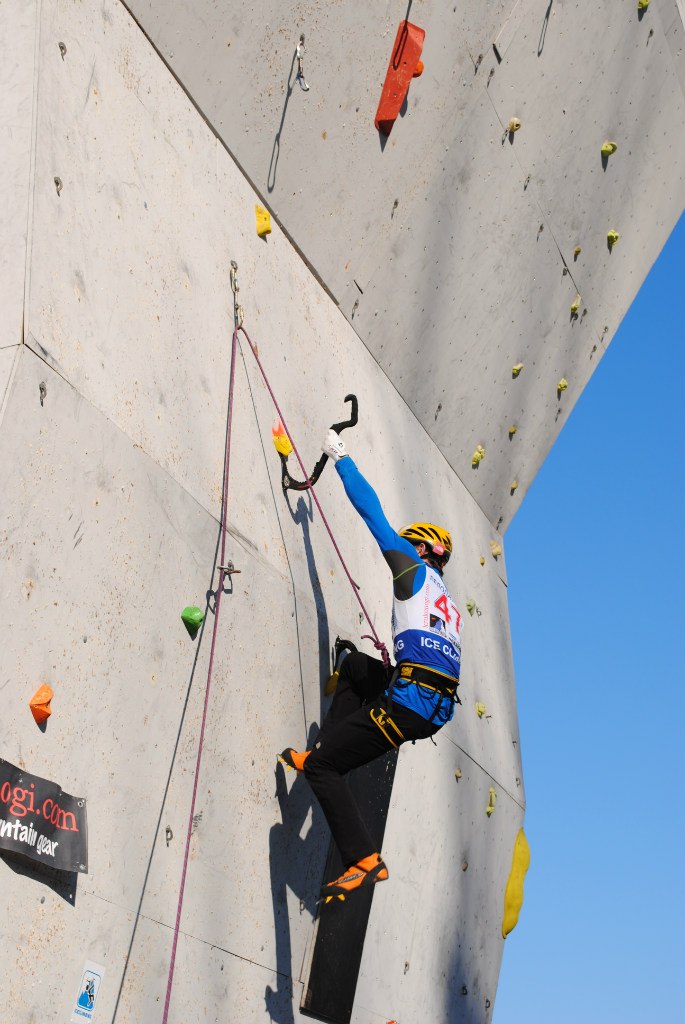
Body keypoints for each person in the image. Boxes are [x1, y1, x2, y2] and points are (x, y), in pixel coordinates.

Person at [280, 429, 462, 900]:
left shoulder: (413, 570)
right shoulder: (448, 603)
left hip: (410, 704)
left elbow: (371, 513)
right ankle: (317, 750)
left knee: (325, 770)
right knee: (358, 669)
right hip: (427, 698)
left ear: (421, 551)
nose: (397, 547)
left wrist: (341, 458)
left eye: (407, 544)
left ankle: (363, 859)